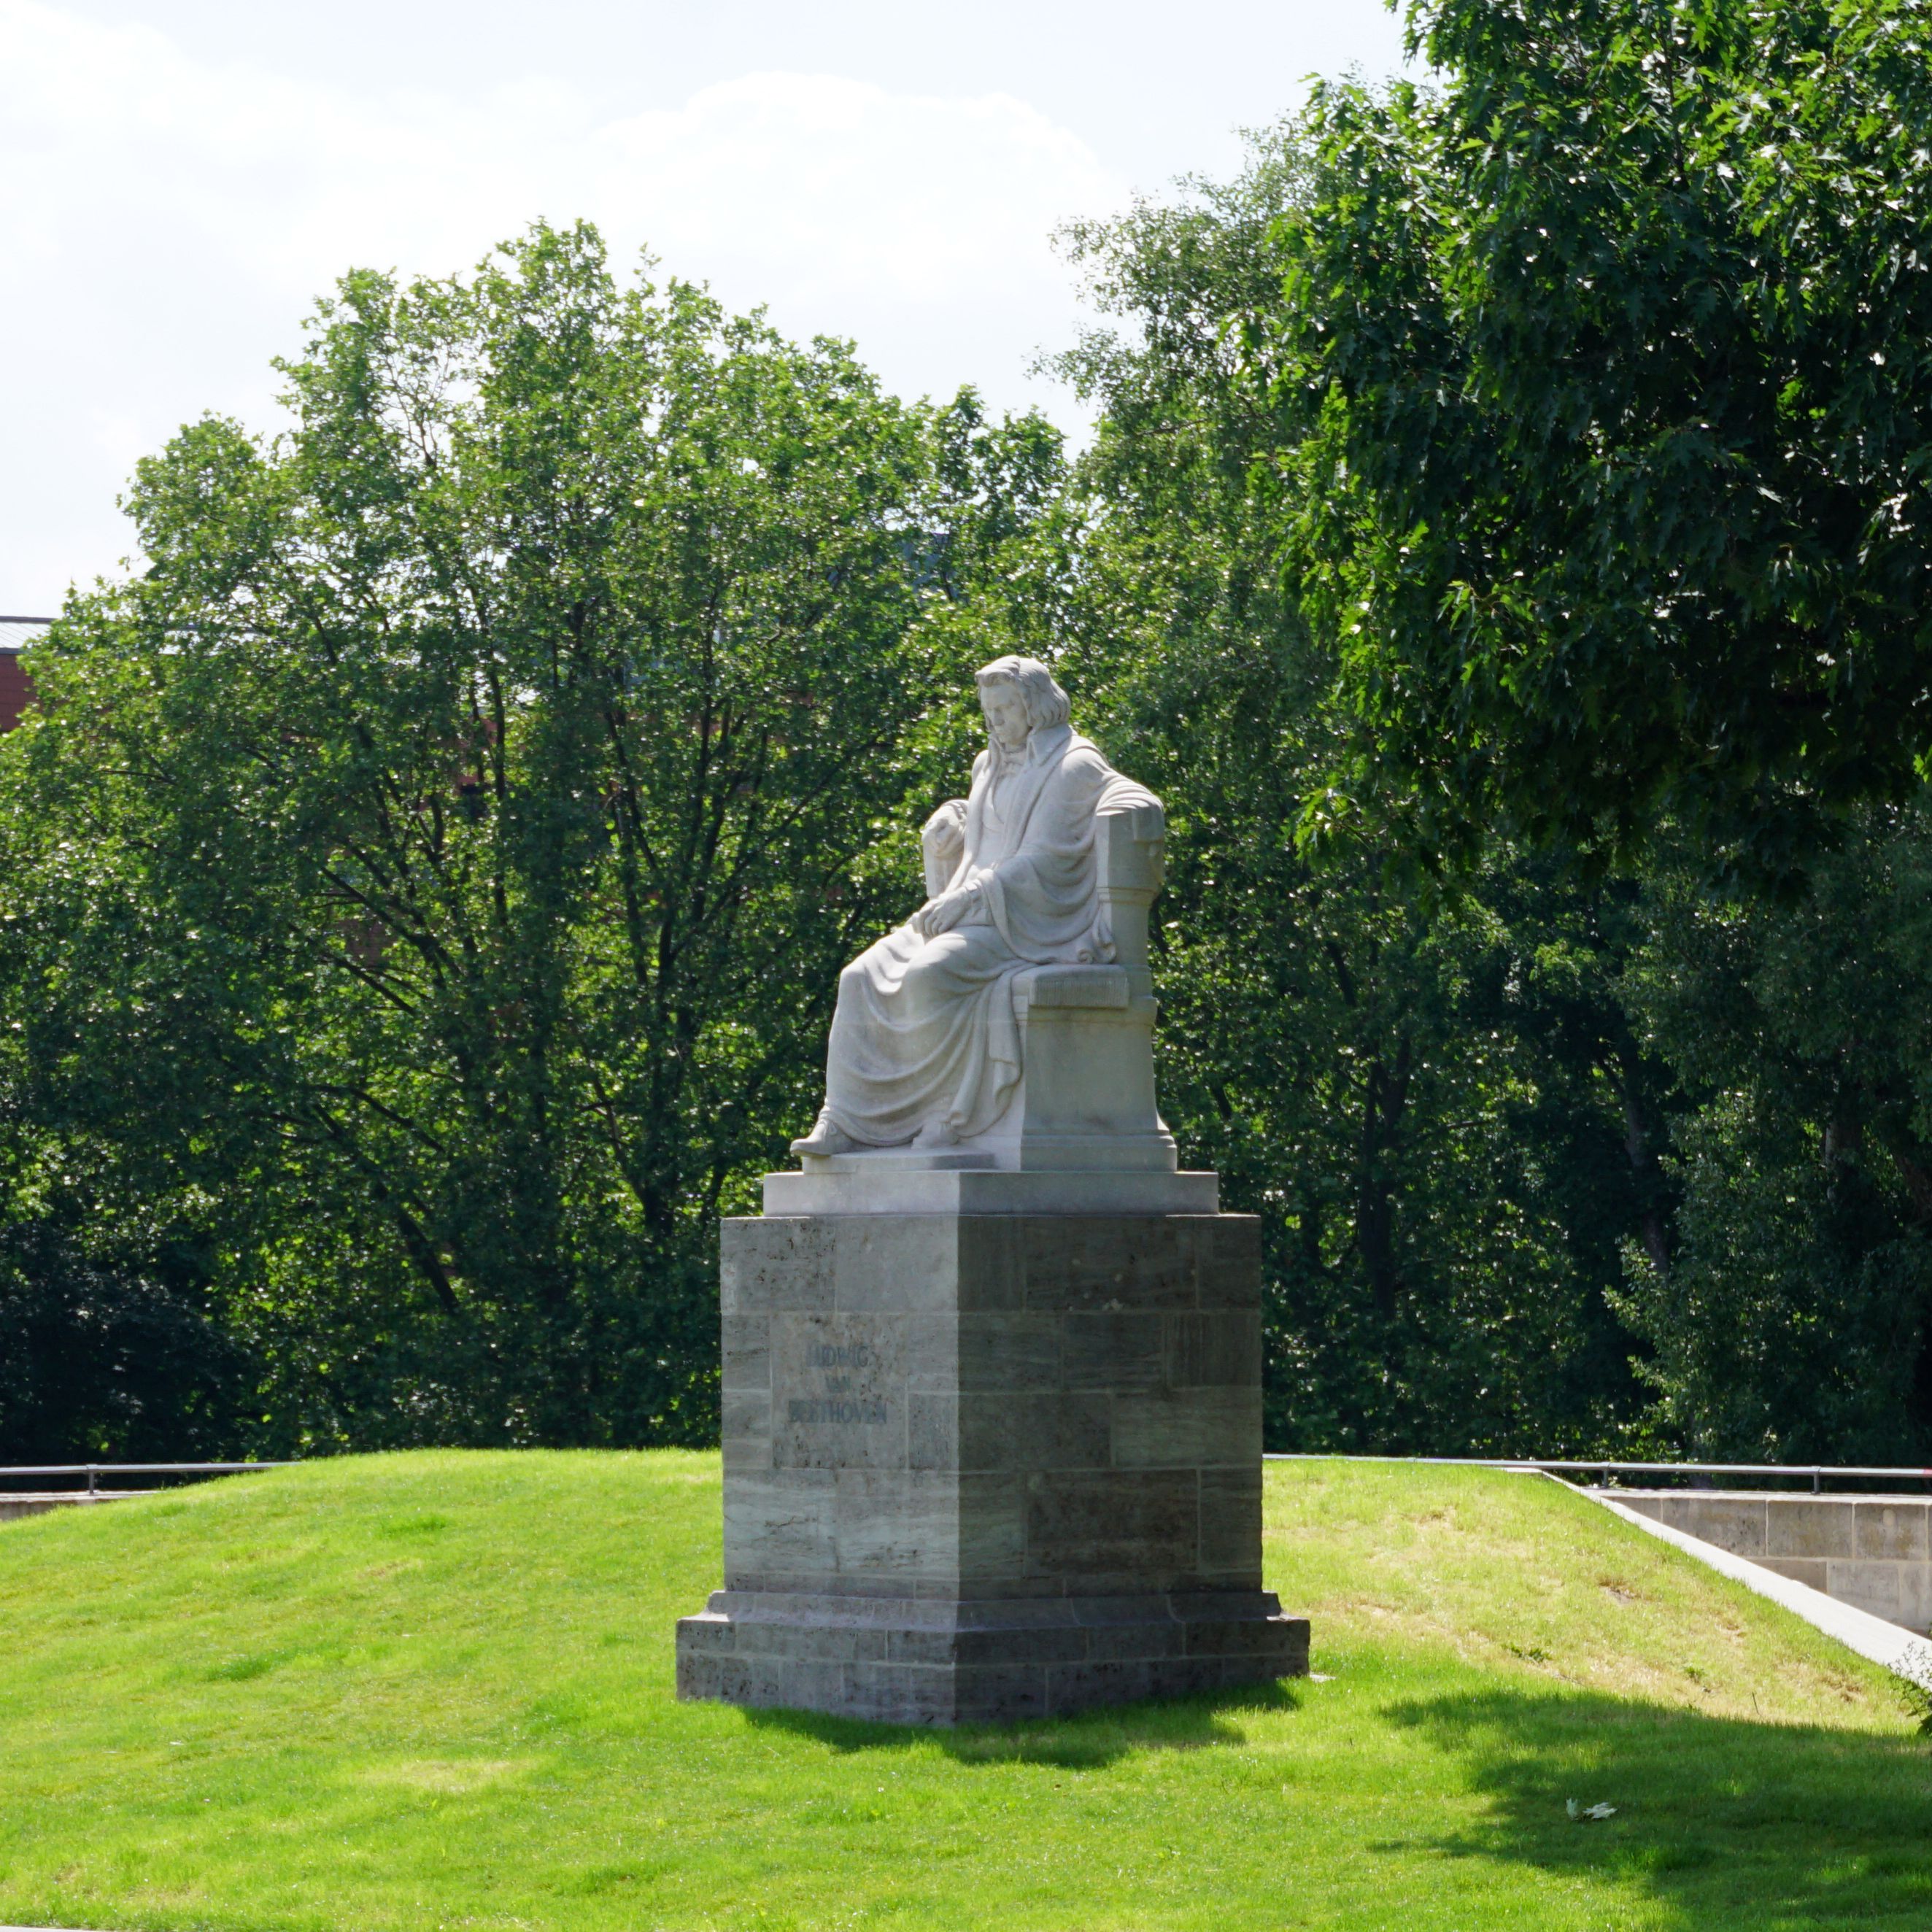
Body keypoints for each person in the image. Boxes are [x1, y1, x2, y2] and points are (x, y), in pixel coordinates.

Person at [792, 655, 1158, 1155]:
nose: (995, 723)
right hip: (971, 905)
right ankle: (844, 1122)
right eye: (988, 712)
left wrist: (970, 897)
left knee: (927, 978)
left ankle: (946, 1114)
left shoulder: (1074, 764)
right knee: (857, 978)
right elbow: (993, 831)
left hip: (1028, 921)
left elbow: (1043, 858)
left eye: (1005, 709)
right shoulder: (987, 763)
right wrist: (955, 818)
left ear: (1035, 707)